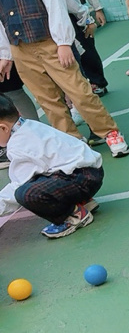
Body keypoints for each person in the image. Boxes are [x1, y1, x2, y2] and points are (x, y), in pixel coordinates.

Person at [0, 0, 129, 157]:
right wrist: (5, 53)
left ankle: (109, 132)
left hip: (50, 44)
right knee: (48, 100)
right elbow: (1, 20)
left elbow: (57, 6)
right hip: (21, 51)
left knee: (80, 92)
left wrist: (62, 42)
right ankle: (73, 142)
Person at [0, 93, 102, 238]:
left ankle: (73, 215)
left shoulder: (19, 145)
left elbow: (19, 185)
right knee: (41, 177)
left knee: (25, 193)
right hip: (91, 172)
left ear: (3, 128)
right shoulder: (29, 125)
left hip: (81, 179)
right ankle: (82, 201)